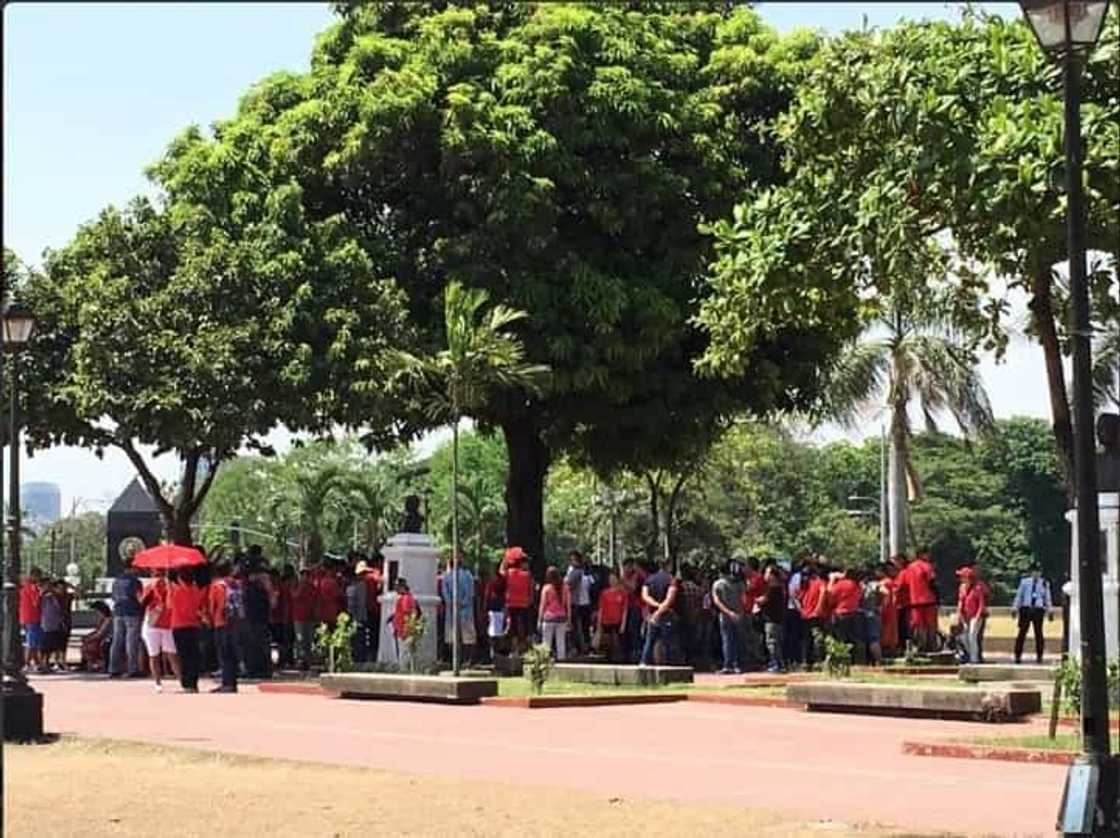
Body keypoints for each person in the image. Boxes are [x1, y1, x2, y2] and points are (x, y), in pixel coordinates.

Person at [141, 569, 180, 692]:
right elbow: (143, 603)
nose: (158, 577)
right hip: (153, 623)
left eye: (160, 574)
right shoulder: (150, 587)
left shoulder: (173, 587)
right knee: (155, 655)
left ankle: (180, 680)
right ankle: (158, 683)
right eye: (156, 574)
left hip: (166, 624)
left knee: (170, 654)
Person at [169, 568, 205, 693]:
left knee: (184, 656)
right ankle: (193, 683)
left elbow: (169, 605)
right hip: (193, 625)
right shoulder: (196, 590)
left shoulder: (175, 591)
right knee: (193, 655)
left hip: (179, 625)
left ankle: (187, 684)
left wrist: (170, 589)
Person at [208, 562, 240, 693]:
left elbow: (212, 606)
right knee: (232, 654)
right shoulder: (235, 584)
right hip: (234, 622)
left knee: (224, 655)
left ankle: (227, 684)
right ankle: (232, 683)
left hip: (220, 622)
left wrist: (210, 619)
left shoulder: (216, 586)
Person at [109, 559, 144, 678]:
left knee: (117, 640)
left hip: (118, 611)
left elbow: (113, 597)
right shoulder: (135, 581)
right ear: (133, 567)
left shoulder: (116, 581)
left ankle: (114, 668)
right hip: (132, 612)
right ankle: (132, 668)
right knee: (131, 640)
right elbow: (140, 598)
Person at [640, 558, 678, 666]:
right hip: (666, 615)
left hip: (652, 615)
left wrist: (655, 607)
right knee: (668, 642)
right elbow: (669, 599)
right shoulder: (671, 580)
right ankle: (671, 665)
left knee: (649, 641)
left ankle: (644, 663)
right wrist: (661, 610)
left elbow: (644, 596)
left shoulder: (649, 579)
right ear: (669, 566)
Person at [1012, 566, 1053, 664]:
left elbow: (1047, 598)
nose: (1036, 574)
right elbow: (1019, 596)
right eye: (1034, 572)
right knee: (1022, 633)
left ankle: (1039, 656)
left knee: (1038, 633)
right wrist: (1015, 608)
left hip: (1038, 610)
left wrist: (1049, 610)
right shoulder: (1025, 582)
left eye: (1038, 572)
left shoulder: (1044, 583)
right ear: (1031, 572)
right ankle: (1018, 655)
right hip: (1026, 609)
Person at [441, 555, 477, 666]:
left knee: (453, 635)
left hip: (452, 609)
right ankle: (467, 661)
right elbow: (471, 593)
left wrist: (452, 603)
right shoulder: (468, 576)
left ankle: (455, 660)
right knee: (468, 636)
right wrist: (463, 602)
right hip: (465, 609)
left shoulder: (447, 577)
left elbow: (445, 594)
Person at [711, 561, 746, 674]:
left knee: (727, 640)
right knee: (738, 639)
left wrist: (728, 612)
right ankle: (738, 664)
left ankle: (728, 664)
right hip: (738, 614)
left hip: (725, 616)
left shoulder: (717, 584)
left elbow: (717, 601)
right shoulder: (739, 583)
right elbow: (744, 598)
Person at [902, 550, 939, 651]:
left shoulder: (909, 567)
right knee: (931, 625)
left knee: (920, 626)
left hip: (915, 601)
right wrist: (937, 597)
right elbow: (932, 582)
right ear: (922, 555)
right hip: (928, 600)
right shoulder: (927, 566)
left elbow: (905, 583)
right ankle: (932, 646)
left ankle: (922, 646)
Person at [501, 547, 533, 653]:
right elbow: (530, 591)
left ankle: (513, 649)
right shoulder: (526, 575)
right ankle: (524, 648)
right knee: (525, 627)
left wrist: (505, 560)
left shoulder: (508, 573)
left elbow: (500, 572)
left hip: (511, 604)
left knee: (513, 628)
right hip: (524, 604)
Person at [756, 562, 786, 673]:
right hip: (777, 618)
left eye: (767, 573)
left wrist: (757, 600)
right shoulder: (779, 587)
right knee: (775, 641)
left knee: (772, 642)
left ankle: (776, 664)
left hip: (772, 619)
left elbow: (764, 600)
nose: (765, 575)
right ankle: (777, 663)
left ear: (773, 575)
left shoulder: (773, 587)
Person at [829, 568, 864, 663]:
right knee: (853, 638)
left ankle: (841, 659)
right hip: (854, 613)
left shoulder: (842, 584)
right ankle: (856, 660)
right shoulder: (858, 585)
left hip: (841, 613)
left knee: (840, 638)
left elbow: (830, 594)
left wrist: (832, 580)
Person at [538, 566, 571, 661]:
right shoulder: (565, 588)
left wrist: (539, 620)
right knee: (561, 642)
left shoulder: (546, 588)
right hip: (561, 618)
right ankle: (562, 662)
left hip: (548, 618)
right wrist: (569, 619)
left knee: (546, 642)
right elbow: (568, 605)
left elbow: (542, 605)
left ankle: (544, 661)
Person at [596, 571, 628, 663]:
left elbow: (625, 610)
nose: (612, 581)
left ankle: (619, 659)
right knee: (607, 641)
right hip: (606, 621)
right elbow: (601, 609)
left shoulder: (622, 593)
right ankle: (608, 658)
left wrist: (623, 624)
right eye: (610, 579)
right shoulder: (604, 593)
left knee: (618, 641)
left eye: (614, 579)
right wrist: (599, 624)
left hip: (618, 620)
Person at [390, 578, 422, 668]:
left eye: (397, 587)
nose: (395, 589)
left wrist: (406, 630)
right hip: (402, 630)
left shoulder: (406, 598)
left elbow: (409, 614)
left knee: (404, 656)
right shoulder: (406, 598)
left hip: (404, 631)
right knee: (405, 654)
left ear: (402, 587)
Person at [799, 566, 826, 669]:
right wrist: (801, 608)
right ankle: (807, 661)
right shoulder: (806, 585)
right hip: (807, 614)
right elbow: (797, 596)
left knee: (815, 638)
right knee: (808, 639)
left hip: (814, 614)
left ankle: (817, 661)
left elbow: (823, 592)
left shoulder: (818, 582)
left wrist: (818, 607)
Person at [18, 568, 44, 673]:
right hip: (33, 616)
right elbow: (36, 602)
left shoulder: (24, 586)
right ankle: (27, 664)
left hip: (26, 616)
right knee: (32, 641)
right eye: (38, 576)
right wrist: (41, 593)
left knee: (34, 641)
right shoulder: (32, 587)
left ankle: (36, 663)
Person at [291, 568, 318, 670]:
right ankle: (300, 660)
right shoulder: (297, 587)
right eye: (303, 575)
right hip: (298, 618)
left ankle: (307, 661)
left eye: (307, 575)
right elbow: (294, 596)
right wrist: (300, 587)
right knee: (300, 640)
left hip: (309, 618)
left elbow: (316, 602)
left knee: (308, 640)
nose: (305, 578)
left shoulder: (312, 588)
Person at [621, 559, 646, 662]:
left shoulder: (636, 576)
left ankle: (637, 652)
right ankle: (628, 652)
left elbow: (632, 587)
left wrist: (623, 580)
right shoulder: (626, 577)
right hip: (627, 606)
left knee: (634, 629)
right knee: (627, 630)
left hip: (637, 606)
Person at [38, 579, 65, 673]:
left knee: (52, 645)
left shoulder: (55, 597)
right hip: (47, 624)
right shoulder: (46, 596)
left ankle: (47, 663)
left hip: (54, 624)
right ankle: (43, 664)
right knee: (45, 645)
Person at [346, 564, 370, 664]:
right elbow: (351, 605)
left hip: (360, 617)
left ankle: (359, 659)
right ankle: (358, 659)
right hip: (358, 618)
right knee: (358, 640)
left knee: (360, 639)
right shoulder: (355, 587)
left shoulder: (360, 586)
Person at [81, 601, 113, 671]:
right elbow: (97, 631)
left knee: (89, 647)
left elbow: (100, 633)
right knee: (86, 645)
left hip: (106, 639)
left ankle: (100, 664)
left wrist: (89, 639)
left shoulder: (108, 620)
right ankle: (91, 664)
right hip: (100, 639)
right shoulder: (102, 620)